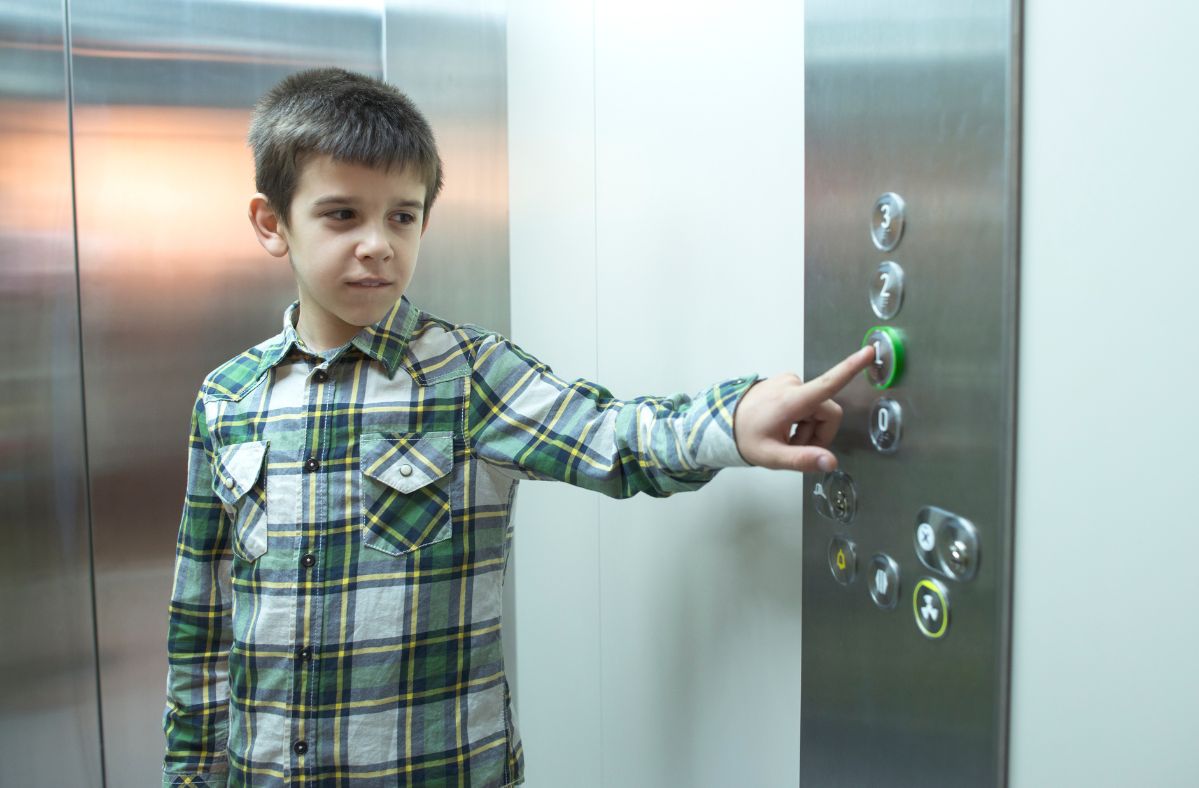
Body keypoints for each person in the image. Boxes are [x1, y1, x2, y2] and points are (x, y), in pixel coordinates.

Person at [161, 67, 875, 788]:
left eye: (402, 216)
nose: (377, 243)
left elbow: (612, 437)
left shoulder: (466, 376)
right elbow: (201, 616)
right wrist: (190, 775)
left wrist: (732, 418)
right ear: (271, 222)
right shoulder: (228, 399)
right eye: (342, 214)